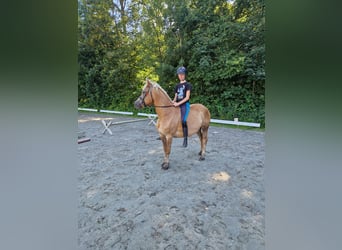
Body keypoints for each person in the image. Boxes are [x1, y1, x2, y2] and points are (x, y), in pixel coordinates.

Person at [172, 66, 192, 147]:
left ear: (185, 75)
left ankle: (185, 139)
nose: (181, 76)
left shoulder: (188, 85)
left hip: (184, 104)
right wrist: (172, 102)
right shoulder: (177, 86)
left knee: (183, 120)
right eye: (179, 74)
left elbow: (187, 97)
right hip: (177, 104)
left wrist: (178, 103)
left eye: (182, 74)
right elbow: (175, 97)